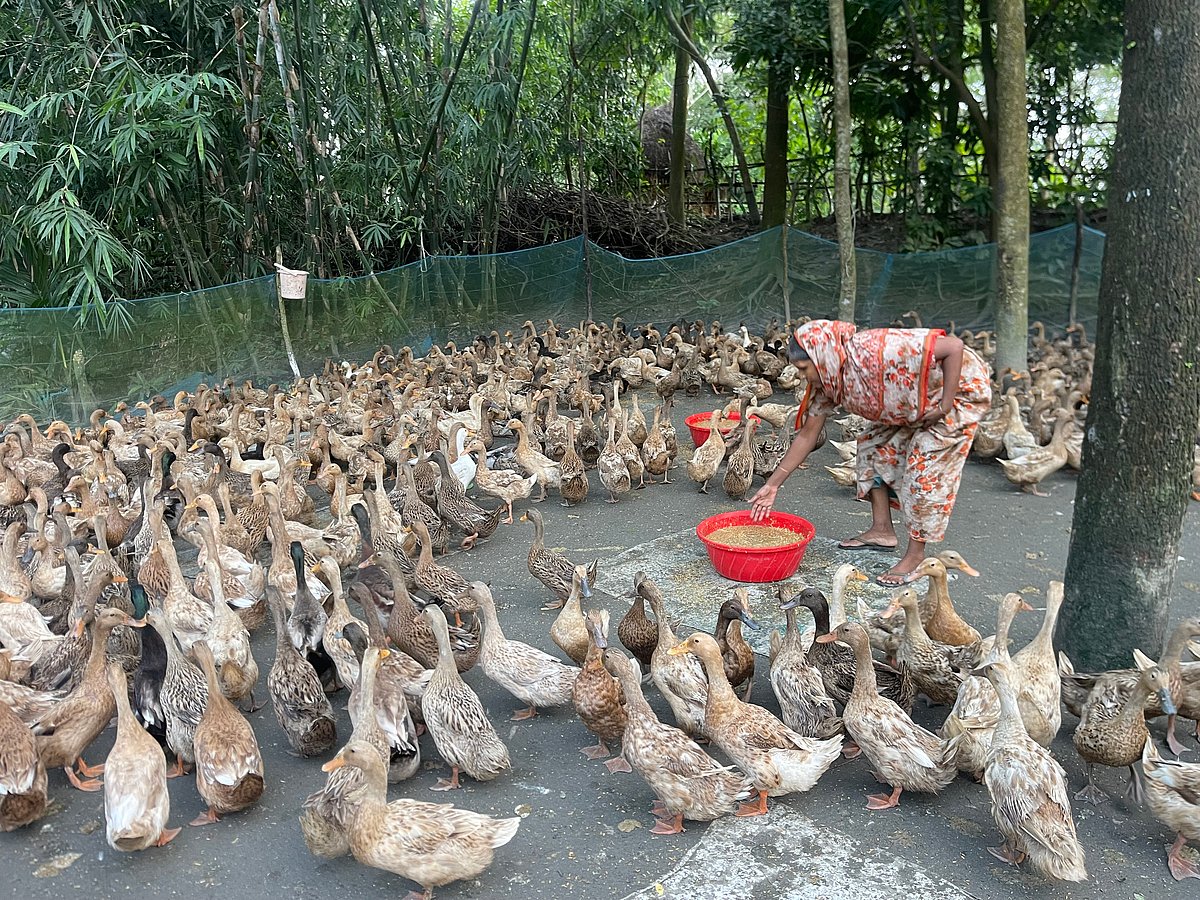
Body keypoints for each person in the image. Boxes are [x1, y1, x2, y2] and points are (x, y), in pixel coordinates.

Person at [749, 319, 992, 585]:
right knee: (872, 444)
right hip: (912, 400)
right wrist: (773, 485)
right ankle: (882, 531)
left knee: (924, 470)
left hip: (956, 392)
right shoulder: (829, 380)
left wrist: (945, 405)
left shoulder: (877, 350)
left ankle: (915, 555)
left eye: (804, 368)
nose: (802, 376)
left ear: (822, 358)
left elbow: (954, 347)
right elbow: (807, 435)